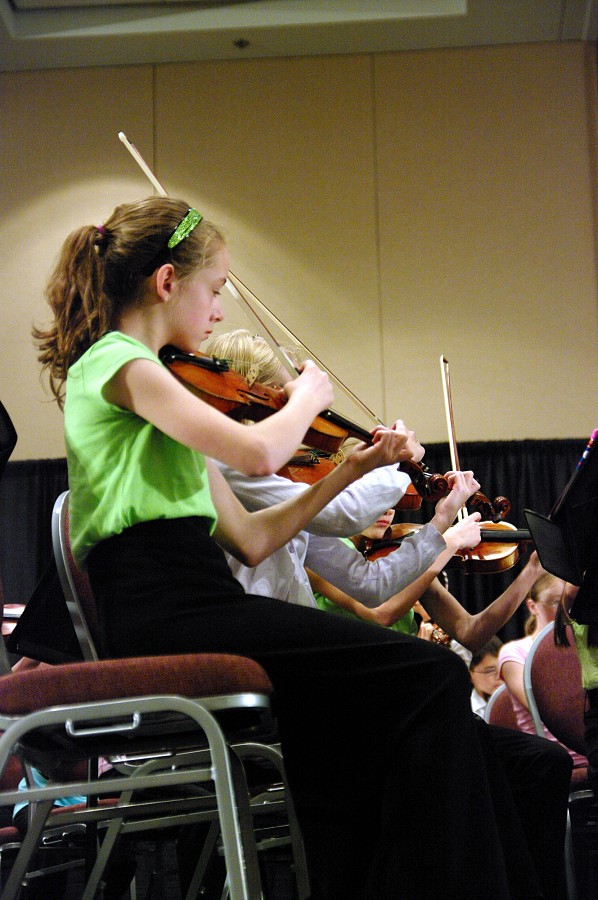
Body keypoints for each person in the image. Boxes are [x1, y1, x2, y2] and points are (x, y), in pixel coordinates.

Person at [34, 196, 532, 899]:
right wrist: (305, 396)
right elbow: (264, 453)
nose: (218, 309)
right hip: (163, 612)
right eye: (214, 289)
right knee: (430, 675)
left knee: (347, 738)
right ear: (167, 282)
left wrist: (352, 471)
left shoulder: (161, 392)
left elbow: (255, 533)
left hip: (193, 600)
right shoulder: (119, 362)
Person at [206, 329, 574, 900]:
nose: (300, 432)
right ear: (246, 404)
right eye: (280, 407)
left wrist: (442, 514)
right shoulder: (239, 466)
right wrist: (396, 463)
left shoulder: (292, 487)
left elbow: (368, 577)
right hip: (271, 673)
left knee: (526, 764)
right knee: (438, 701)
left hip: (300, 670)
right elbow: (349, 513)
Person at [499, 572, 587, 768]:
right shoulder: (515, 652)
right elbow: (546, 707)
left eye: (571, 602)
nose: (566, 610)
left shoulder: (583, 643)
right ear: (532, 606)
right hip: (556, 756)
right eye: (557, 602)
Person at [469, 636, 503, 717]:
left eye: (503, 668)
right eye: (490, 671)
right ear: (470, 675)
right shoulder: (467, 712)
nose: (500, 676)